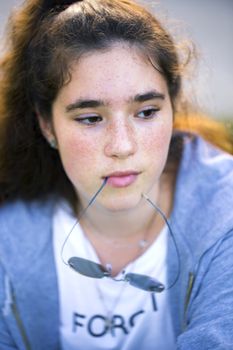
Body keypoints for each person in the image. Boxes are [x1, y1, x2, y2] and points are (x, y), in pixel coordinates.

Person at [0, 0, 233, 349]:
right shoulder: (9, 233)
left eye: (147, 111)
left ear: (172, 105)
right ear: (47, 125)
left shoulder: (224, 216)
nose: (122, 146)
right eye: (91, 118)